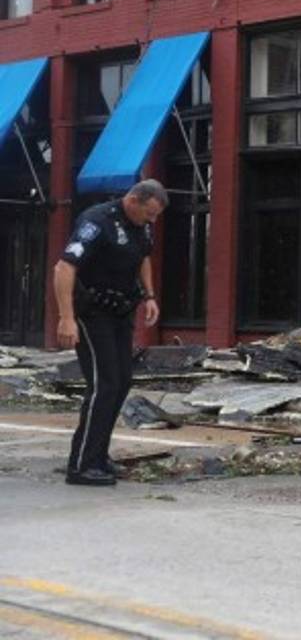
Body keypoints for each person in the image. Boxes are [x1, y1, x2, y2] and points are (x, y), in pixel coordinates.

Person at [54, 180, 166, 486]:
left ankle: (98, 456)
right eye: (149, 213)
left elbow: (144, 257)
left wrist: (150, 295)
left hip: (121, 311)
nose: (152, 221)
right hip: (93, 312)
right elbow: (64, 268)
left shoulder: (141, 226)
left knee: (121, 382)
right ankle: (80, 466)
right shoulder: (96, 221)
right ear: (133, 200)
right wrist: (66, 318)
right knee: (104, 384)